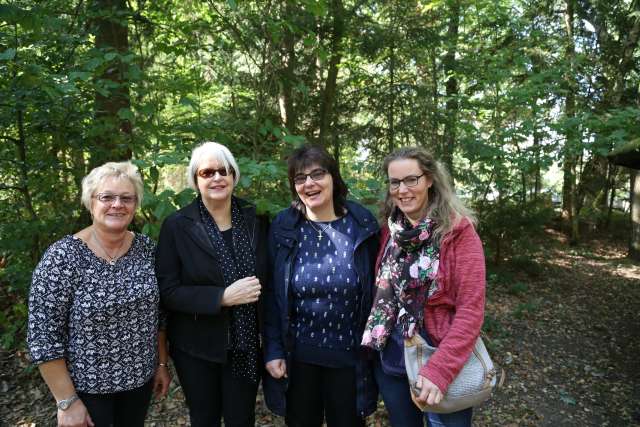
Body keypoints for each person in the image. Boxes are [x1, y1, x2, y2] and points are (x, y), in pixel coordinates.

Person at [28, 161, 170, 427]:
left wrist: (161, 364)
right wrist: (67, 402)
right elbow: (43, 336)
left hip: (139, 385)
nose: (117, 204)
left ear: (136, 204)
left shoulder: (148, 250)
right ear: (90, 201)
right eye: (107, 197)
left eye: (126, 198)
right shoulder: (62, 258)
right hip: (87, 391)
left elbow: (159, 315)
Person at [361, 146, 486, 427]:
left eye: (411, 180)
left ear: (429, 179)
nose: (402, 189)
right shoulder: (390, 231)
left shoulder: (459, 234)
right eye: (395, 182)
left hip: (441, 362)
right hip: (392, 362)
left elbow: (471, 312)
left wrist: (440, 371)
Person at [263, 144, 380, 427]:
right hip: (299, 358)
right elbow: (271, 295)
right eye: (300, 178)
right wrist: (274, 349)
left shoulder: (361, 224)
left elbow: (379, 290)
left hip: (350, 359)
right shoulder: (284, 226)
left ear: (334, 179)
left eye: (318, 174)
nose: (310, 183)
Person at [155, 141, 269, 427]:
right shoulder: (177, 225)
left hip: (247, 344)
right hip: (196, 346)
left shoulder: (256, 219)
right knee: (204, 419)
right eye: (207, 173)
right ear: (195, 180)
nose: (217, 178)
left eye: (223, 170)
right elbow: (167, 292)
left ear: (234, 175)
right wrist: (221, 297)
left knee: (241, 419)